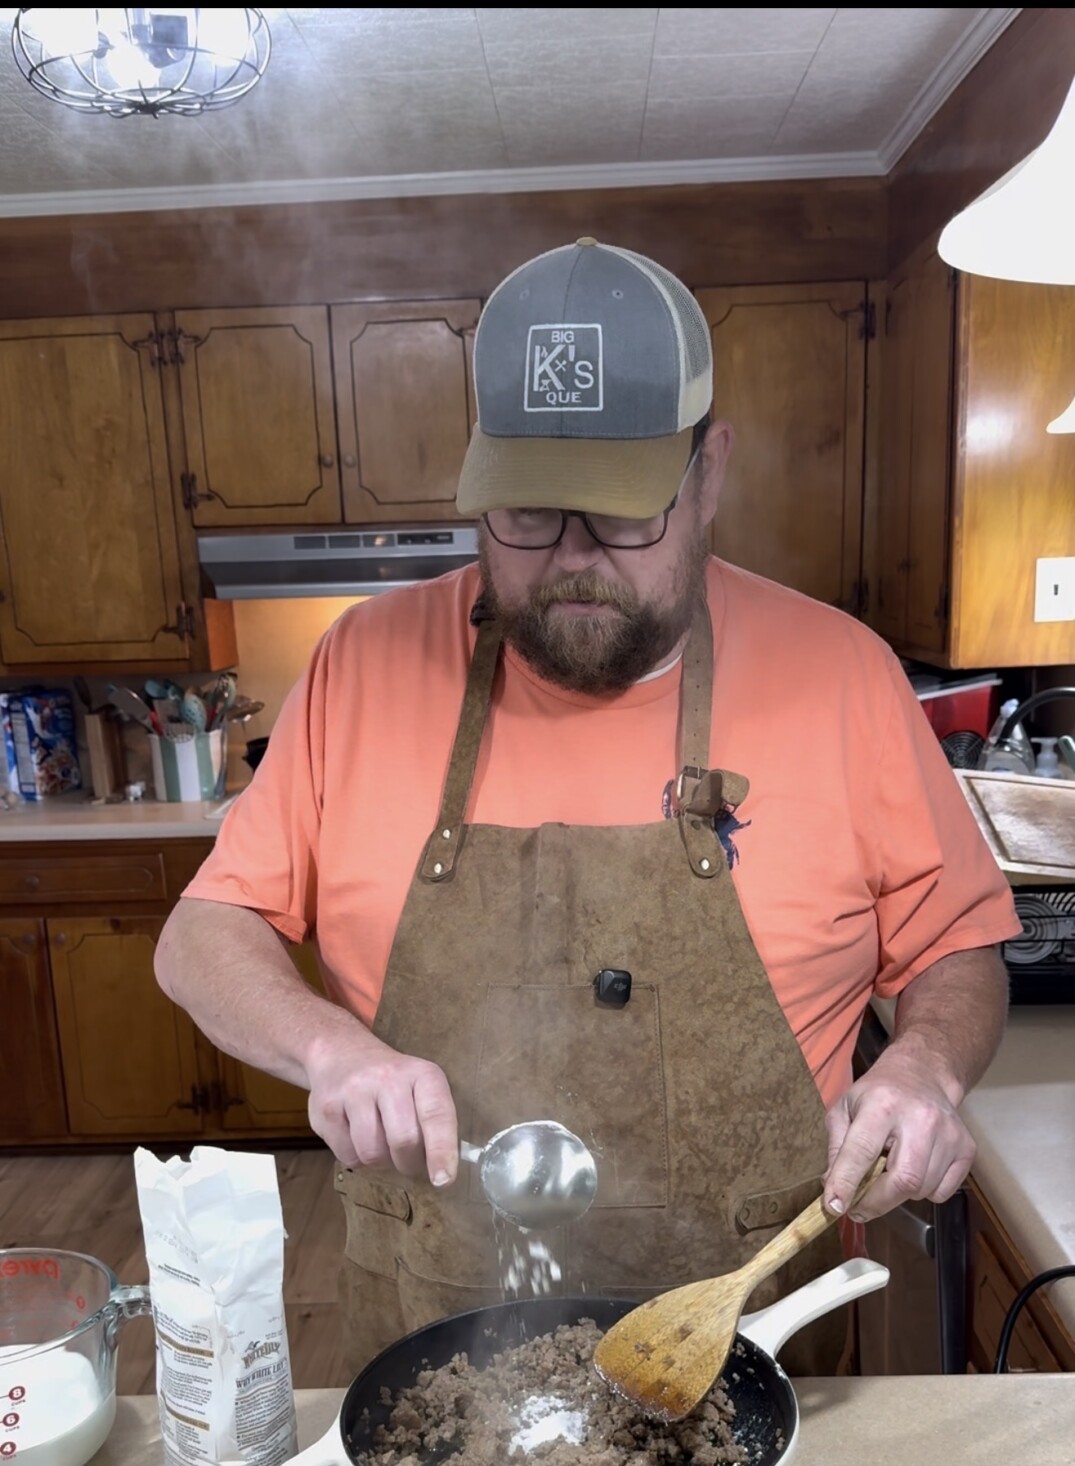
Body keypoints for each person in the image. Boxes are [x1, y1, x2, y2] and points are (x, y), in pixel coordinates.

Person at [155, 237, 1019, 1375]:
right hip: (438, 1338)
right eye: (526, 513)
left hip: (748, 1331)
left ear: (707, 476)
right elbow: (201, 935)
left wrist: (923, 1070)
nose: (571, 561)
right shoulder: (360, 667)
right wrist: (330, 1052)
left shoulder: (841, 674)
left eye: (620, 517)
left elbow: (958, 948)